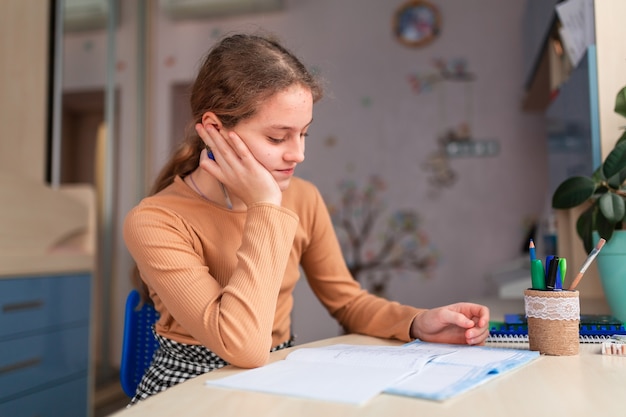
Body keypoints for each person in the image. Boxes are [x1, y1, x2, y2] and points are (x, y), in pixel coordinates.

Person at [123, 32, 490, 405]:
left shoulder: (302, 197)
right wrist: (265, 206)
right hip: (186, 389)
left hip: (273, 377)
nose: (297, 154)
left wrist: (416, 322)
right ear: (216, 131)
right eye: (278, 137)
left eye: (303, 134)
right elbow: (244, 347)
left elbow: (347, 302)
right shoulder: (155, 220)